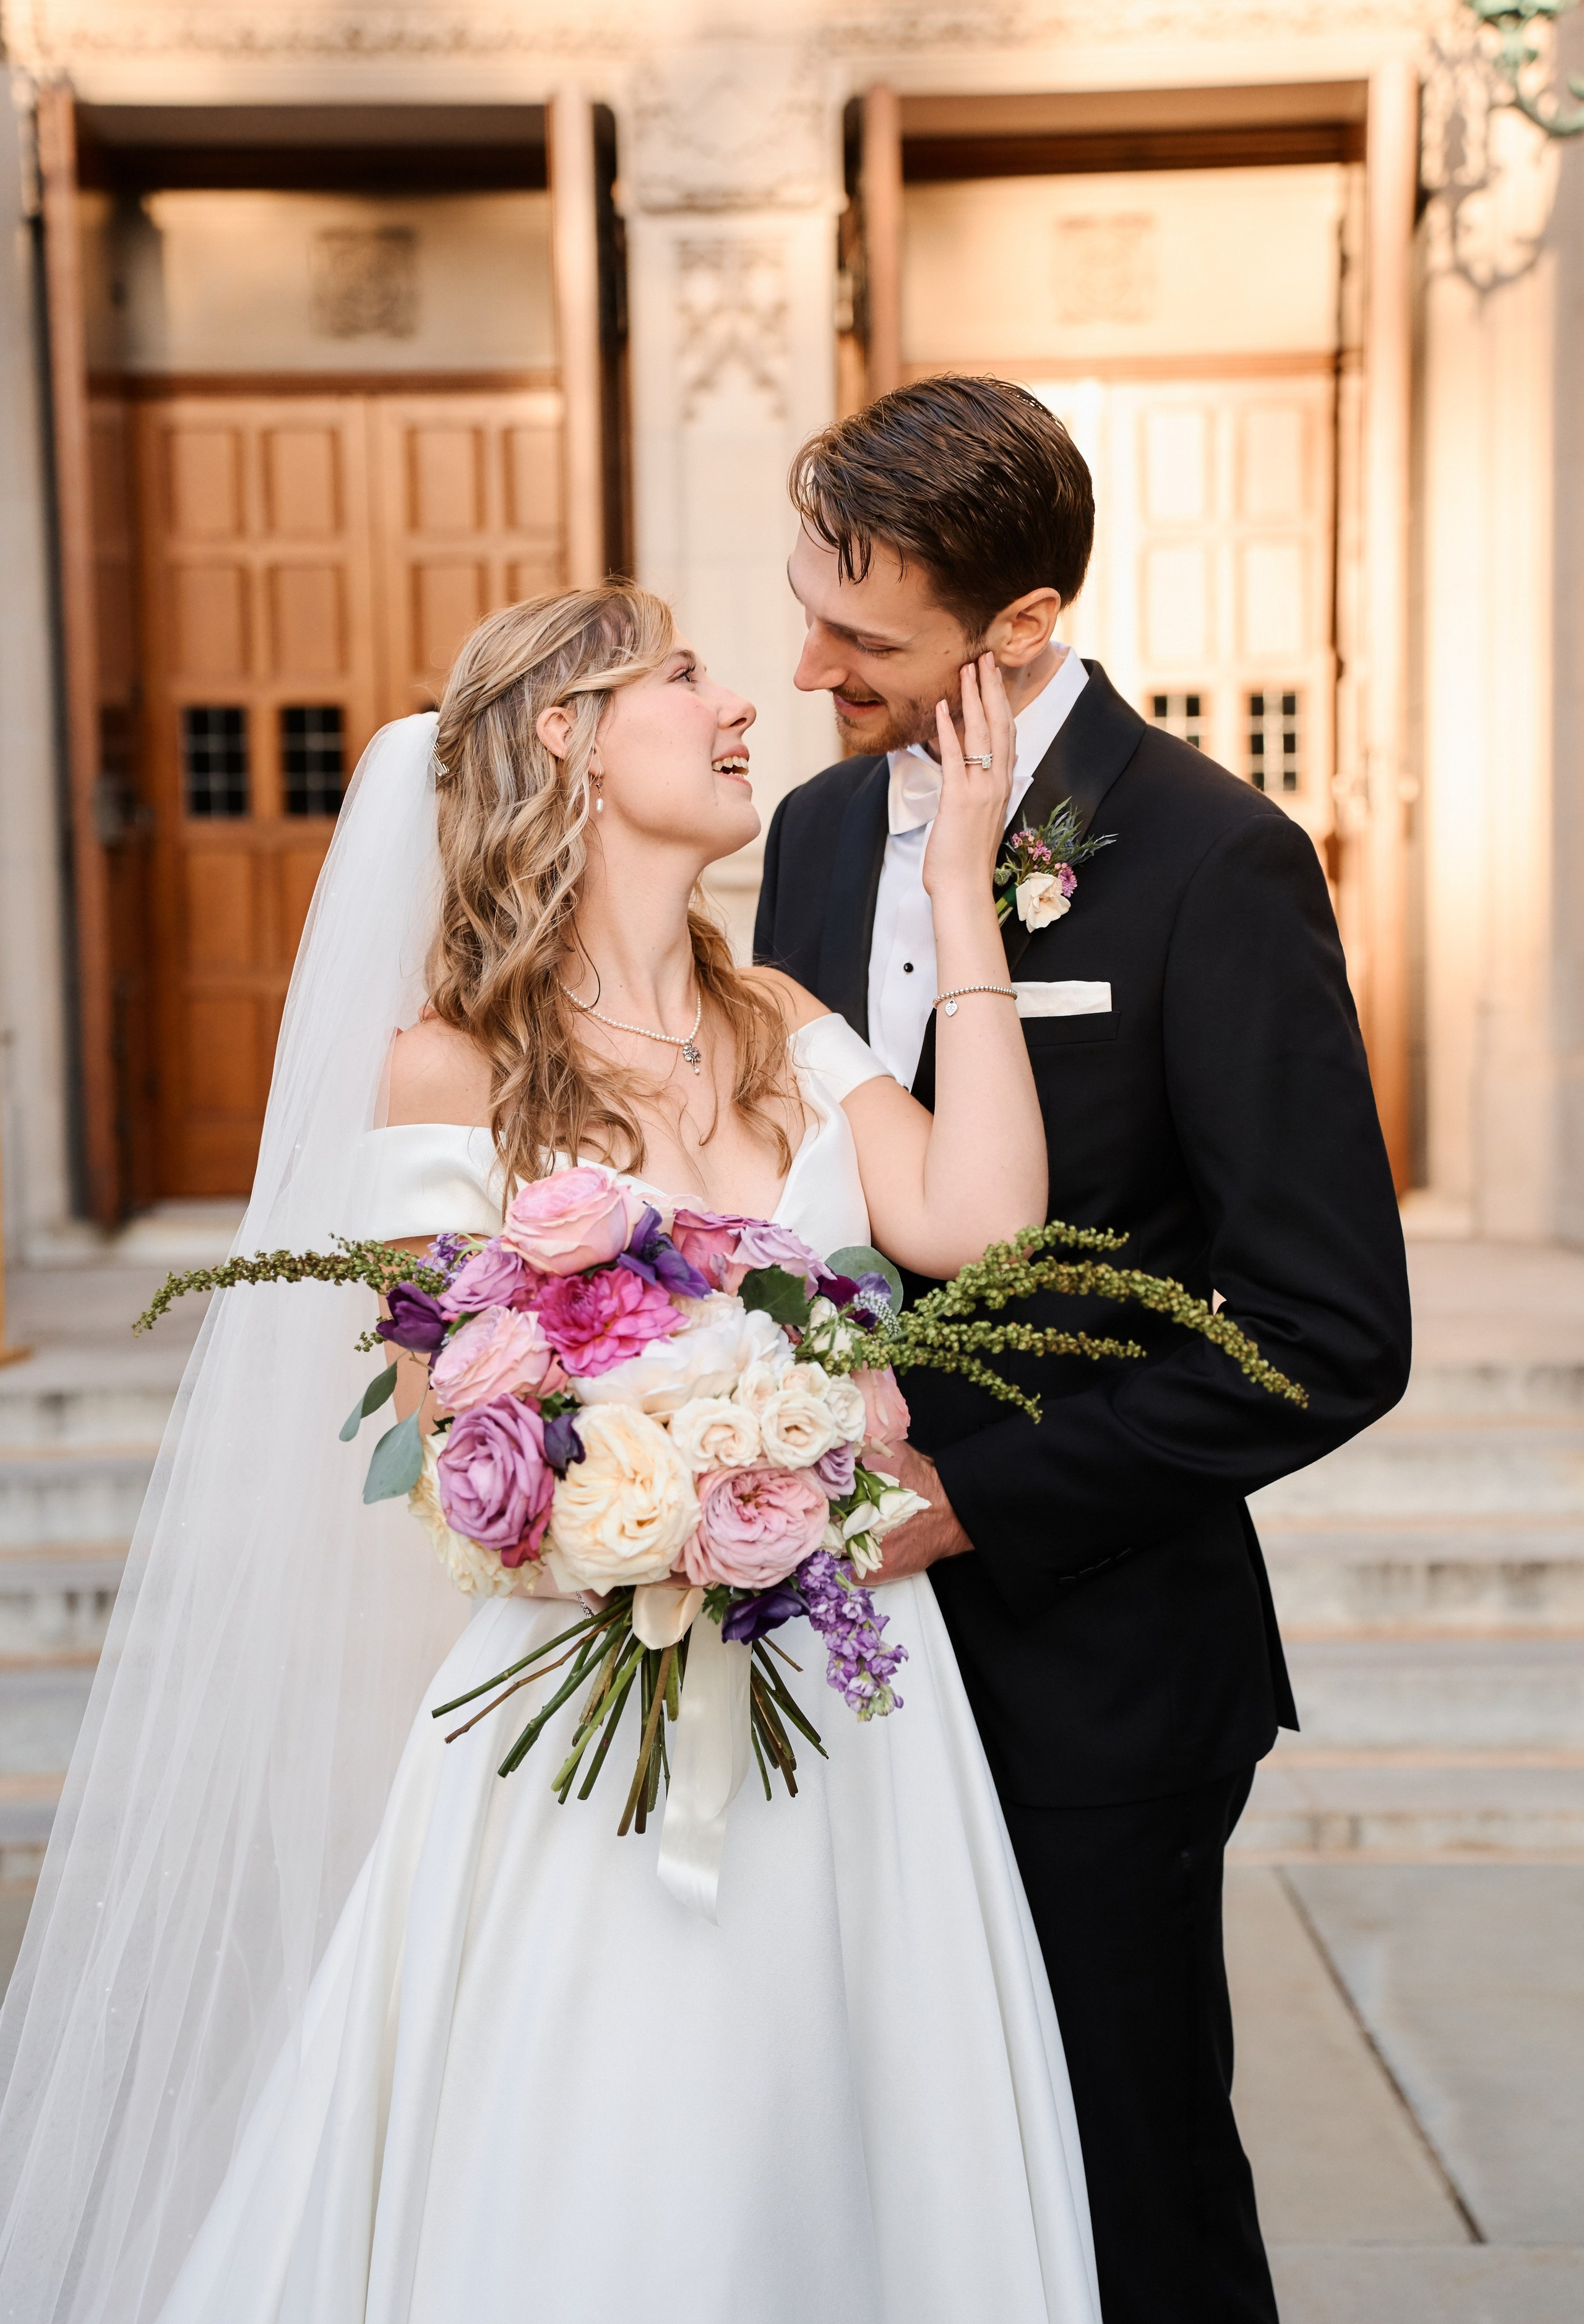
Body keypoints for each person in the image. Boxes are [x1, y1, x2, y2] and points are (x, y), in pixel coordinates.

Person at [0, 583, 1101, 2323]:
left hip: (854, 1702)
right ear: (569, 738)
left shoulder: (785, 1024)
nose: (743, 700)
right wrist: (683, 1488)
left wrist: (963, 884)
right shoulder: (450, 1068)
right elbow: (461, 1454)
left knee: (851, 2152)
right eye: (686, 676)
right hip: (594, 1737)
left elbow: (985, 1213)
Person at [755, 374, 1413, 2324]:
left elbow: (1322, 1328)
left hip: (1093, 1665)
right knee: (881, 2179)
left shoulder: (1217, 857)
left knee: (1124, 2178)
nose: (811, 666)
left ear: (1023, 623)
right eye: (806, 609)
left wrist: (969, 1491)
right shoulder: (800, 835)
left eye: (863, 637)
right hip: (815, 1659)